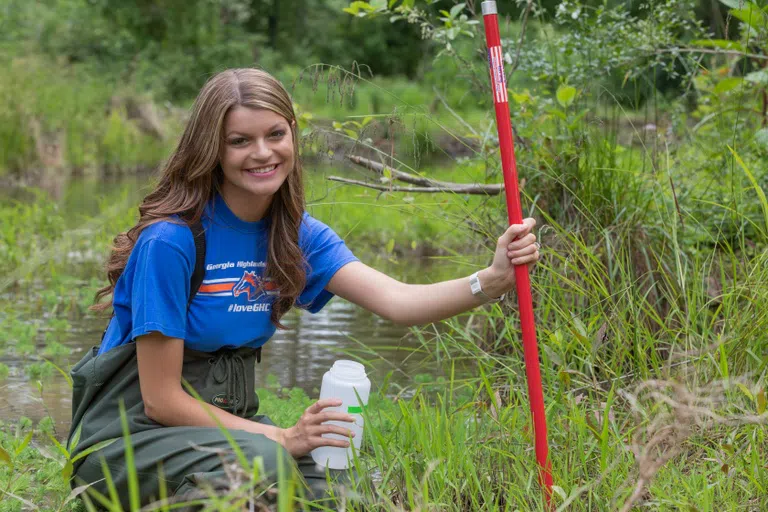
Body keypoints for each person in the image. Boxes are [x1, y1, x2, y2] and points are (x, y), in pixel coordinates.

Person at [67, 68, 540, 509]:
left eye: (276, 134)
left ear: (293, 134)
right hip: (128, 442)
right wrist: (282, 438)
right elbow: (161, 400)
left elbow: (398, 302)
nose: (263, 152)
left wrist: (492, 280)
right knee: (267, 465)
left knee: (340, 487)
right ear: (211, 148)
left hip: (221, 434)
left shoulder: (294, 233)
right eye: (240, 141)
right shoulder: (171, 242)